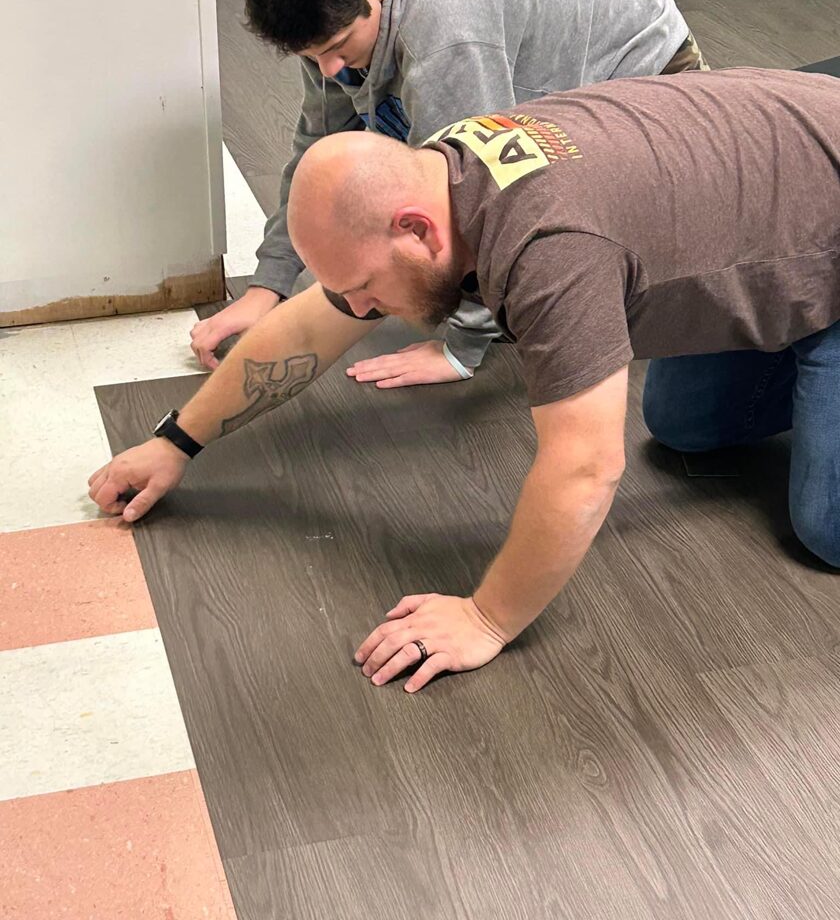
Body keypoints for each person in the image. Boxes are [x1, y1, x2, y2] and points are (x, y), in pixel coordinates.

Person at [93, 67, 840, 694]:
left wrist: (487, 617)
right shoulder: (442, 174)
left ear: (415, 229)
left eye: (364, 287)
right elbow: (312, 325)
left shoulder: (550, 248)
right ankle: (803, 315)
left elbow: (586, 467)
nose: (360, 311)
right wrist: (176, 441)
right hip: (796, 198)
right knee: (684, 426)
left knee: (826, 527)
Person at [191, 0, 707, 387]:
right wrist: (269, 286)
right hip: (552, 66)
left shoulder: (445, 34)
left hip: (655, 93)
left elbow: (481, 186)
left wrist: (462, 345)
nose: (327, 69)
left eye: (338, 47)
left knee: (547, 259)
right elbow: (317, 148)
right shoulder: (341, 9)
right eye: (312, 56)